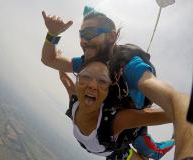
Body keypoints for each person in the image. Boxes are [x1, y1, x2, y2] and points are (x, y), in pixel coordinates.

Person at [41, 6, 193, 159]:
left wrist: (186, 149)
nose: (83, 41)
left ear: (111, 36)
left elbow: (175, 100)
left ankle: (172, 141)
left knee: (150, 150)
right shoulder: (87, 64)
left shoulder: (129, 66)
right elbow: (49, 60)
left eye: (89, 33)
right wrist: (52, 34)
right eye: (81, 34)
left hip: (128, 124)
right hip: (109, 132)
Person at [59, 59, 173, 160]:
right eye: (86, 77)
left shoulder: (115, 121)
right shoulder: (76, 101)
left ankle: (175, 139)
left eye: (102, 81)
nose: (92, 86)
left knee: (151, 151)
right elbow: (64, 79)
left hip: (118, 147)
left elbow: (166, 114)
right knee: (145, 152)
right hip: (114, 150)